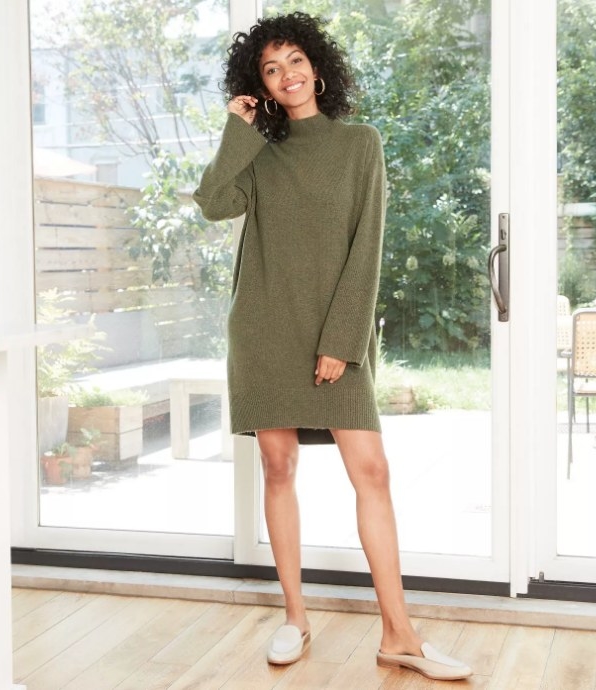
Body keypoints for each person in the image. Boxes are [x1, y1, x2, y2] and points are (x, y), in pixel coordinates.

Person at [193, 11, 472, 682]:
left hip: (333, 334)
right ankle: (295, 617)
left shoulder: (360, 145)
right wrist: (239, 126)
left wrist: (343, 340)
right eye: (269, 68)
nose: (285, 74)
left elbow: (366, 249)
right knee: (280, 468)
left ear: (317, 67)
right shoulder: (258, 155)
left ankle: (400, 633)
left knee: (371, 472)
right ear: (257, 83)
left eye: (293, 60)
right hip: (263, 328)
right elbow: (210, 202)